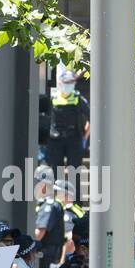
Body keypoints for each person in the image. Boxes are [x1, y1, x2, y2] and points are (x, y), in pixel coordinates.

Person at [44, 68, 89, 202]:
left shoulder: (78, 98)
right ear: (60, 82)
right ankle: (58, 201)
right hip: (55, 139)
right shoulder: (53, 97)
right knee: (56, 172)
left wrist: (85, 137)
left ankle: (76, 202)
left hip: (74, 139)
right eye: (66, 82)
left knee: (74, 173)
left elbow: (91, 118)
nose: (68, 85)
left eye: (71, 82)